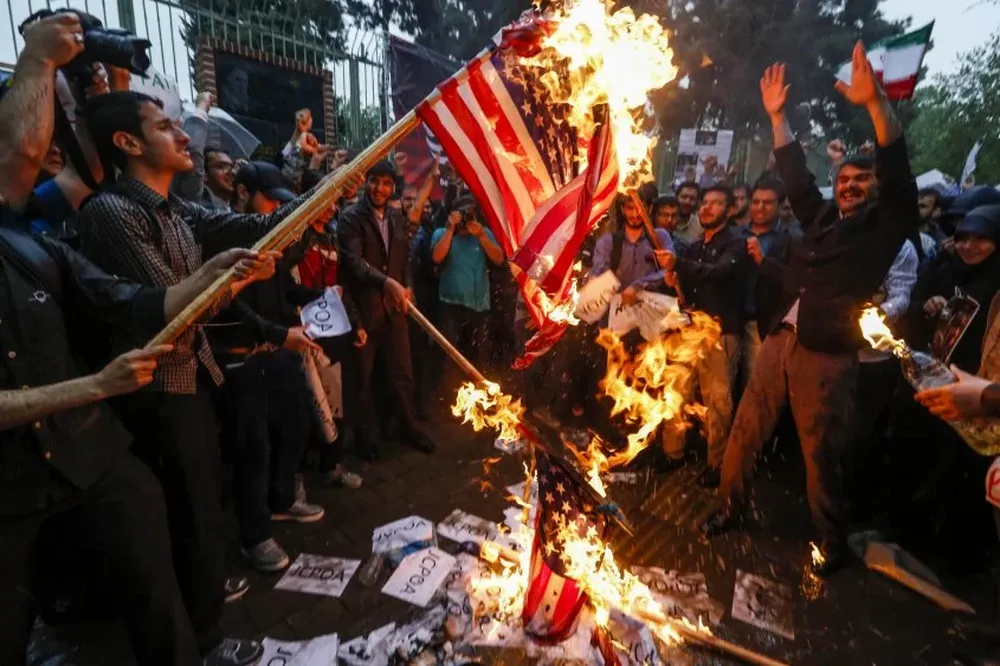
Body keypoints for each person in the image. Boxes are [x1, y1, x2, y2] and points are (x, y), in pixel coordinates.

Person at [73, 89, 330, 658]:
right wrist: (231, 280)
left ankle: (205, 630)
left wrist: (323, 195)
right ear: (127, 142)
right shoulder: (113, 213)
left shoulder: (176, 210)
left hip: (196, 382)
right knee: (188, 521)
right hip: (157, 393)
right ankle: (203, 642)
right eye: (166, 125)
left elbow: (252, 228)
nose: (184, 135)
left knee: (202, 512)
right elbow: (169, 309)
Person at [702, 46, 918, 577]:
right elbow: (796, 177)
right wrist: (777, 118)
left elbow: (897, 171)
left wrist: (875, 107)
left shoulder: (885, 230)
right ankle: (727, 506)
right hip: (780, 341)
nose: (849, 185)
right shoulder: (821, 219)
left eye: (860, 181)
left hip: (827, 355)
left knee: (821, 453)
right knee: (745, 430)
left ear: (874, 191)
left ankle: (830, 540)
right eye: (844, 179)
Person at [338, 160, 435, 460]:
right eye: (375, 181)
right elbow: (353, 264)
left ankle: (410, 428)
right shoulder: (350, 218)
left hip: (395, 312)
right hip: (364, 312)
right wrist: (387, 283)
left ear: (393, 187)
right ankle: (366, 438)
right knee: (363, 380)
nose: (380, 189)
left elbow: (402, 257)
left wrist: (405, 285)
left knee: (402, 374)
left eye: (386, 183)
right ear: (367, 182)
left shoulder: (395, 218)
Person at [656, 185, 747, 486]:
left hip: (720, 335)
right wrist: (674, 279)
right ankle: (673, 453)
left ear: (730, 209)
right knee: (676, 391)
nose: (707, 208)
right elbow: (689, 284)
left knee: (717, 403)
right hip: (688, 331)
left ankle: (717, 463)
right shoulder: (696, 246)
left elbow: (720, 273)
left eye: (716, 204)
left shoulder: (736, 243)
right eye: (704, 203)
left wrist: (678, 265)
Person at [430, 197, 504, 363]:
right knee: (450, 358)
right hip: (450, 307)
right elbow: (436, 257)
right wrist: (450, 229)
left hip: (479, 308)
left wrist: (482, 235)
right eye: (463, 214)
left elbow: (499, 259)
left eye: (470, 214)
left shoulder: (484, 234)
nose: (466, 219)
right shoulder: (442, 233)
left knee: (478, 358)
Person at [738, 181, 793, 394]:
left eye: (768, 203)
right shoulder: (735, 235)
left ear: (780, 205)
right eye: (756, 202)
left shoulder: (789, 241)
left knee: (756, 388)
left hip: (762, 325)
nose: (760, 207)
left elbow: (791, 281)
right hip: (731, 322)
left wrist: (763, 260)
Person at [171, 92, 232, 210]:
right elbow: (193, 152)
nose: (231, 172)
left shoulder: (234, 209)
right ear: (204, 175)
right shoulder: (197, 204)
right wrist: (201, 109)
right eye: (221, 167)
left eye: (231, 166)